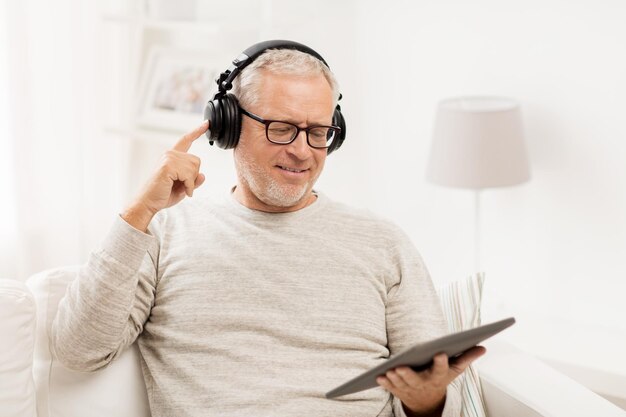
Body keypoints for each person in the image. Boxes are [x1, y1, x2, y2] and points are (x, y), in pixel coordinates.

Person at [52, 40, 485, 417]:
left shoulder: (383, 241)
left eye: (318, 132)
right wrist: (139, 211)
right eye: (282, 129)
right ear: (229, 125)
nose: (302, 152)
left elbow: (431, 393)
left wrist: (427, 402)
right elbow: (78, 351)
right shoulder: (163, 234)